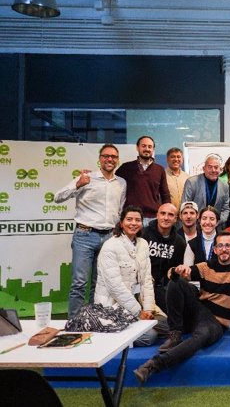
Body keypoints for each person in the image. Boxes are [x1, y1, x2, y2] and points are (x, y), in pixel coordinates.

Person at [133, 232, 230, 384]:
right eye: (220, 246)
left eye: (228, 245)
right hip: (197, 310)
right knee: (176, 281)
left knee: (200, 337)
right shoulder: (206, 266)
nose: (224, 249)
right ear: (215, 249)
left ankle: (153, 365)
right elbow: (173, 275)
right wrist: (176, 270)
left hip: (216, 322)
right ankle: (175, 334)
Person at [54, 144, 126, 318]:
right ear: (100, 158)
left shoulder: (121, 183)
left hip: (109, 237)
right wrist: (78, 184)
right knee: (79, 282)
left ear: (117, 160)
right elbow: (57, 197)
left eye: (114, 157)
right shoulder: (87, 177)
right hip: (84, 236)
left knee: (100, 283)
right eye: (106, 156)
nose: (110, 159)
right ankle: (75, 323)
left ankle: (95, 321)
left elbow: (120, 210)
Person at [94, 206, 158, 346]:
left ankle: (133, 328)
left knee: (167, 327)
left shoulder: (143, 244)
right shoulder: (110, 246)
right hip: (113, 307)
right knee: (150, 336)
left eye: (137, 220)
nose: (133, 223)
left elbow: (147, 280)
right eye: (129, 219)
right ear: (121, 223)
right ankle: (111, 340)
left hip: (137, 305)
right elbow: (115, 288)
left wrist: (148, 310)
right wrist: (138, 312)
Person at [142, 203, 188, 313]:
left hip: (162, 288)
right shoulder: (144, 234)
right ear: (157, 215)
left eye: (170, 215)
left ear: (176, 219)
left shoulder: (179, 242)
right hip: (141, 285)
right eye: (163, 213)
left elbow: (175, 271)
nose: (166, 218)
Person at [115, 136, 171, 224]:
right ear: (137, 147)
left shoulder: (159, 169)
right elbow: (113, 186)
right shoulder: (125, 168)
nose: (147, 149)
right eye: (144, 146)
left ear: (153, 149)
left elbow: (165, 195)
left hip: (153, 218)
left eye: (149, 146)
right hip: (131, 217)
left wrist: (166, 214)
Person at [182, 155, 230, 225]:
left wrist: (217, 222)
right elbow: (185, 206)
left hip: (216, 227)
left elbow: (226, 209)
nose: (213, 170)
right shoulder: (192, 182)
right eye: (210, 167)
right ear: (204, 168)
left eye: (216, 167)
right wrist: (200, 221)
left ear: (220, 169)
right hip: (195, 226)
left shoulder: (224, 185)